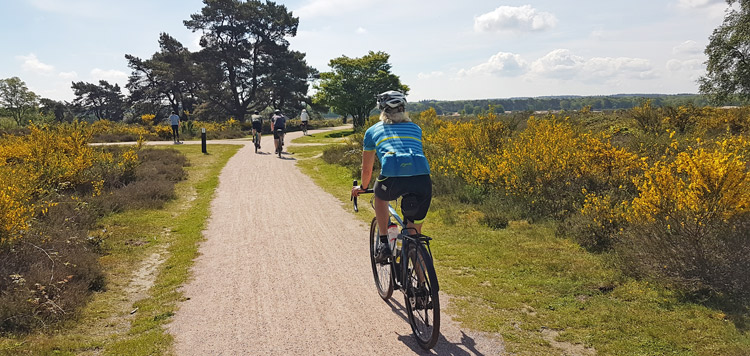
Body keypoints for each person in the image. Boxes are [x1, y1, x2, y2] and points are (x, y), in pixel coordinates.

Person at [351, 90, 432, 263]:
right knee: (414, 237)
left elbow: (367, 170)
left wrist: (363, 187)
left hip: (392, 177)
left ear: (381, 109)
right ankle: (422, 287)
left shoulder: (372, 131)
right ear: (403, 108)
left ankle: (384, 243)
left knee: (380, 197)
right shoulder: (415, 128)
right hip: (422, 180)